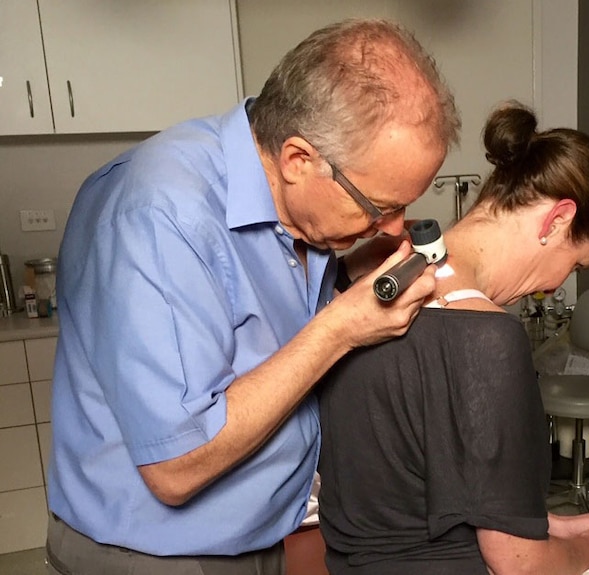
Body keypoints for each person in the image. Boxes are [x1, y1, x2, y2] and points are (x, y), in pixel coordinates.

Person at [46, 19, 460, 575]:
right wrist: (341, 326)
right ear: (298, 160)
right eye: (379, 205)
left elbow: (259, 330)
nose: (392, 225)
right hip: (157, 555)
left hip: (257, 537)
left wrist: (346, 267)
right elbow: (177, 464)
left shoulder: (299, 214)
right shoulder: (160, 214)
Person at [317, 102, 589, 575]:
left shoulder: (369, 282)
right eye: (575, 263)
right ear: (557, 220)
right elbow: (519, 564)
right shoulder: (486, 337)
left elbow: (425, 480)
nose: (557, 285)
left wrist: (547, 522)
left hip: (356, 560)